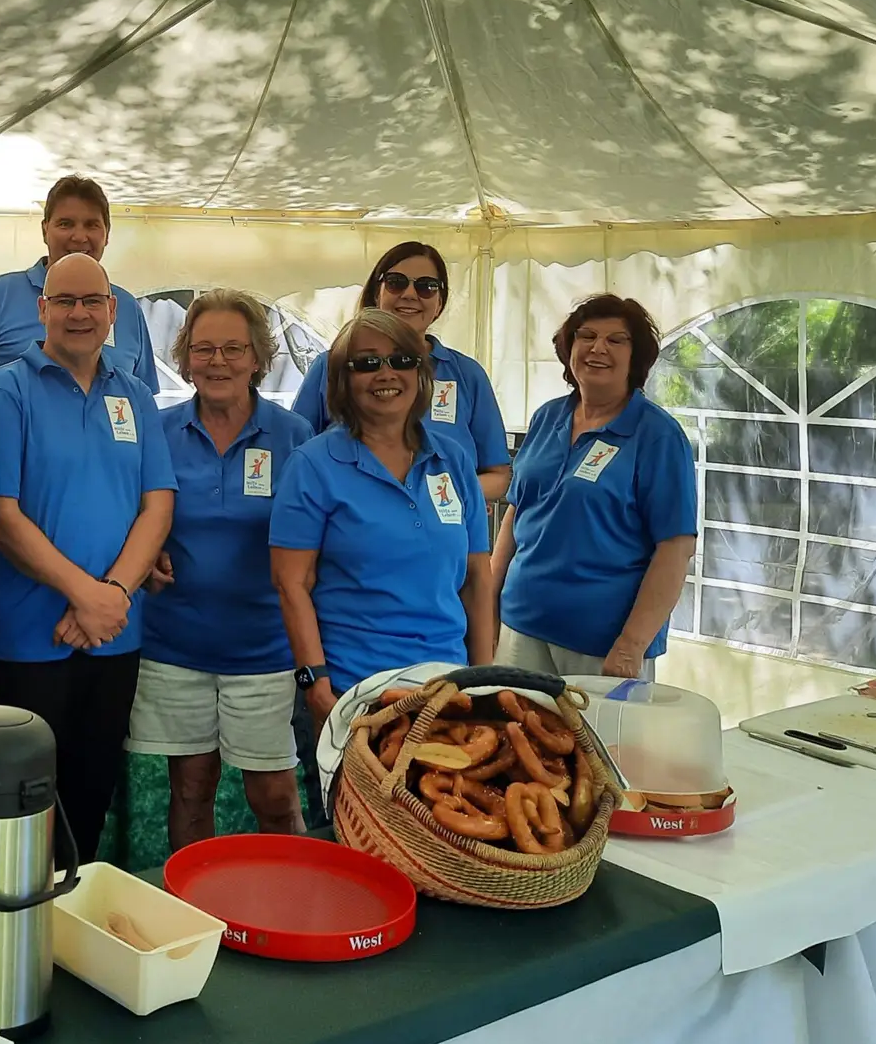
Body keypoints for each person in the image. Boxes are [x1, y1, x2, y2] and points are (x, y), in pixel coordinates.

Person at [0, 252, 176, 861]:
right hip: (26, 640)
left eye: (91, 301)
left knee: (88, 801)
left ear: (113, 311)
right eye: (64, 301)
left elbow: (157, 505)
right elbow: (0, 514)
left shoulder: (135, 396)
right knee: (19, 814)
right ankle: (17, 923)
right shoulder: (4, 390)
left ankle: (70, 917)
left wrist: (112, 595)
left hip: (115, 635)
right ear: (42, 310)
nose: (78, 313)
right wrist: (87, 596)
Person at [126, 289, 311, 850]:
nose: (218, 361)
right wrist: (147, 549)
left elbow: (316, 538)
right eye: (203, 349)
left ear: (258, 357)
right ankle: (194, 900)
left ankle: (291, 898)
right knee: (190, 791)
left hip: (264, 650)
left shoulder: (294, 436)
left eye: (234, 348)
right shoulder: (157, 430)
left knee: (274, 796)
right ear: (185, 359)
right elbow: (130, 509)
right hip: (173, 646)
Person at [270, 310, 495, 747]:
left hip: (447, 688)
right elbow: (291, 584)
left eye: (401, 360)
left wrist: (482, 679)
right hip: (355, 692)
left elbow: (477, 579)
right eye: (367, 363)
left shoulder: (453, 460)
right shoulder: (312, 465)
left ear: (420, 372)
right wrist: (315, 683)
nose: (386, 373)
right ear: (342, 380)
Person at [493, 294, 697, 679]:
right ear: (569, 348)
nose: (598, 348)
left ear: (636, 357)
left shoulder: (657, 435)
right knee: (511, 719)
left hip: (603, 647)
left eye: (616, 340)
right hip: (520, 628)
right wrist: (488, 605)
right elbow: (517, 513)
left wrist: (631, 645)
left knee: (599, 725)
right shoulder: (547, 417)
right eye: (586, 336)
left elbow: (675, 547)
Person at [290, 242, 511, 503]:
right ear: (377, 293)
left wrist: (450, 498)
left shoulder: (467, 374)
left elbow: (499, 475)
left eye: (426, 286)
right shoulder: (331, 365)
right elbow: (295, 458)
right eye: (396, 283)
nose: (410, 294)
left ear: (439, 303)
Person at [0, 175, 159, 402]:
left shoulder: (127, 307)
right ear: (45, 230)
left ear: (106, 234)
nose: (79, 237)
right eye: (65, 224)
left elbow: (142, 402)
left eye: (91, 225)